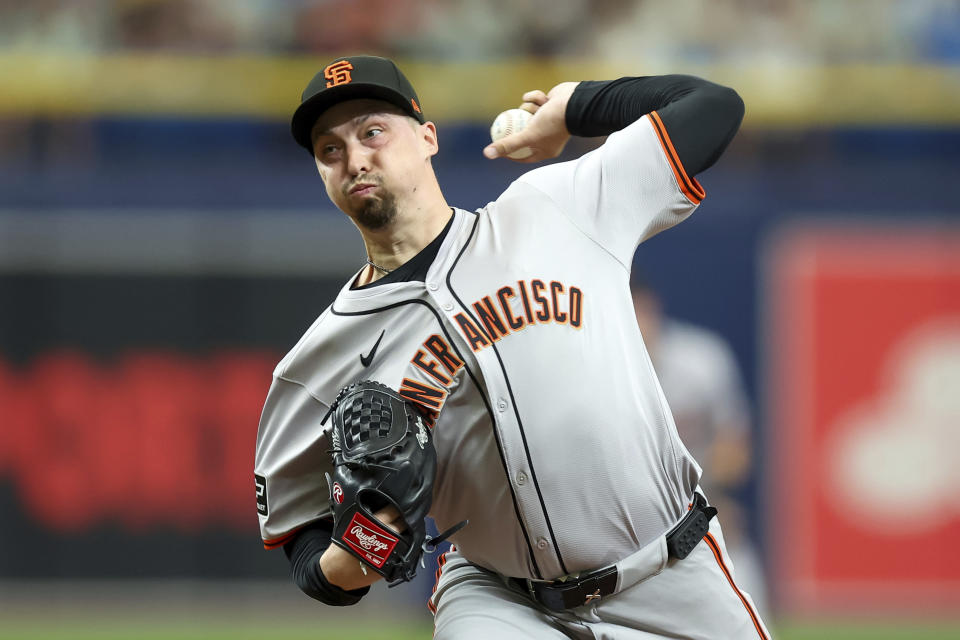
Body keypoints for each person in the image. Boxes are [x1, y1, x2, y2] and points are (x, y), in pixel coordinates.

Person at [254, 55, 768, 638]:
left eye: (373, 131)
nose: (355, 158)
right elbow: (300, 541)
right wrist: (356, 552)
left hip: (673, 575)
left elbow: (713, 107)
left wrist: (576, 105)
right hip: (497, 599)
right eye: (330, 149)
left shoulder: (557, 208)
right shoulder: (315, 362)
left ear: (427, 138)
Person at [632, 276, 770, 619]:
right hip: (631, 523)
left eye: (640, 310)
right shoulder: (593, 370)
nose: (637, 322)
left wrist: (706, 501)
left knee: (732, 542)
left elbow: (735, 448)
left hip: (701, 507)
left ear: (654, 309)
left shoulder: (701, 360)